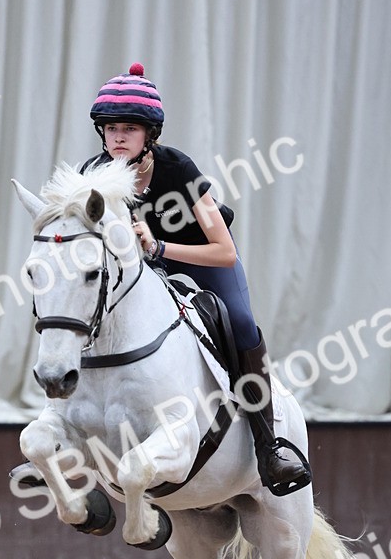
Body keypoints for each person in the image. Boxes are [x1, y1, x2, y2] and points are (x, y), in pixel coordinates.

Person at [82, 62, 311, 496]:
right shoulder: (91, 174)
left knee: (241, 324)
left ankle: (269, 447)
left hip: (203, 263)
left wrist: (160, 248)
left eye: (129, 128)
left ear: (150, 135)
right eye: (110, 128)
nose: (117, 137)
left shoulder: (177, 170)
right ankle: (88, 456)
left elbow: (223, 252)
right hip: (142, 273)